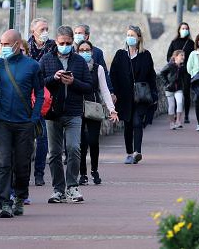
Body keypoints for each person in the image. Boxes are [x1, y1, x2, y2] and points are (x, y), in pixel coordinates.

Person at [0, 30, 44, 218]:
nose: (2, 48)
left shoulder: (33, 66)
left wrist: (34, 116)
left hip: (24, 123)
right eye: (1, 44)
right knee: (3, 163)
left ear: (16, 44)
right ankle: (4, 203)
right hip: (2, 122)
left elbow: (40, 93)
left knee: (22, 165)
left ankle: (20, 198)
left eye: (6, 44)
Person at [40, 26, 93, 203]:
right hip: (52, 113)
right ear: (56, 42)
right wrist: (53, 78)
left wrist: (73, 82)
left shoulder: (79, 61)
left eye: (68, 43)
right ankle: (58, 189)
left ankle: (72, 186)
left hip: (73, 112)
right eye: (61, 43)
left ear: (72, 43)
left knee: (73, 148)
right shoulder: (46, 59)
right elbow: (39, 83)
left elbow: (89, 86)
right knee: (54, 153)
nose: (65, 46)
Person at [110, 25, 158, 165]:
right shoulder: (120, 54)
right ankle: (129, 153)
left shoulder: (145, 55)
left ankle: (137, 151)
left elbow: (152, 75)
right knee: (128, 125)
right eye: (128, 35)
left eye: (132, 35)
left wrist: (154, 94)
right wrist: (113, 92)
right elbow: (113, 74)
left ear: (139, 38)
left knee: (137, 122)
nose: (130, 37)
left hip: (141, 96)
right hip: (124, 97)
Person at [76, 40, 119, 186]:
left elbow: (104, 89)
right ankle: (82, 173)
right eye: (81, 50)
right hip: (77, 108)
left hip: (93, 107)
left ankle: (94, 170)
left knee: (93, 141)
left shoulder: (98, 68)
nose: (85, 52)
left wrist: (111, 109)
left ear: (92, 51)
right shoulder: (74, 67)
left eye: (87, 50)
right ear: (77, 52)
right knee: (80, 143)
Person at [27, 18, 56, 186]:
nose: (45, 32)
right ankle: (24, 173)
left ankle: (39, 173)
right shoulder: (25, 47)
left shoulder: (52, 47)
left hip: (43, 97)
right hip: (25, 97)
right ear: (33, 32)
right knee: (26, 138)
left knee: (43, 137)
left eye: (46, 28)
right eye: (41, 29)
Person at [73, 24, 115, 101]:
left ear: (87, 36)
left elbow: (104, 73)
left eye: (79, 33)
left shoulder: (97, 52)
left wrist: (111, 92)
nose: (77, 35)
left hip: (92, 94)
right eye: (75, 33)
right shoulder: (70, 52)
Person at [166, 23, 196, 123]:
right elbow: (168, 57)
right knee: (175, 92)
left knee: (186, 93)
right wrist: (175, 64)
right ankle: (175, 114)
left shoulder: (191, 43)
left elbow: (194, 57)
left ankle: (186, 115)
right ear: (179, 30)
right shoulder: (174, 42)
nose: (184, 30)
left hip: (187, 71)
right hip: (176, 72)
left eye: (186, 28)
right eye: (183, 28)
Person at [161, 50, 186, 130]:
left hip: (179, 88)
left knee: (179, 102)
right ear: (176, 56)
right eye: (181, 55)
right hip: (169, 88)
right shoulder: (170, 65)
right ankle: (172, 123)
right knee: (171, 106)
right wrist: (166, 83)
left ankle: (178, 121)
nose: (183, 57)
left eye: (183, 55)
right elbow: (162, 73)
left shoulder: (182, 67)